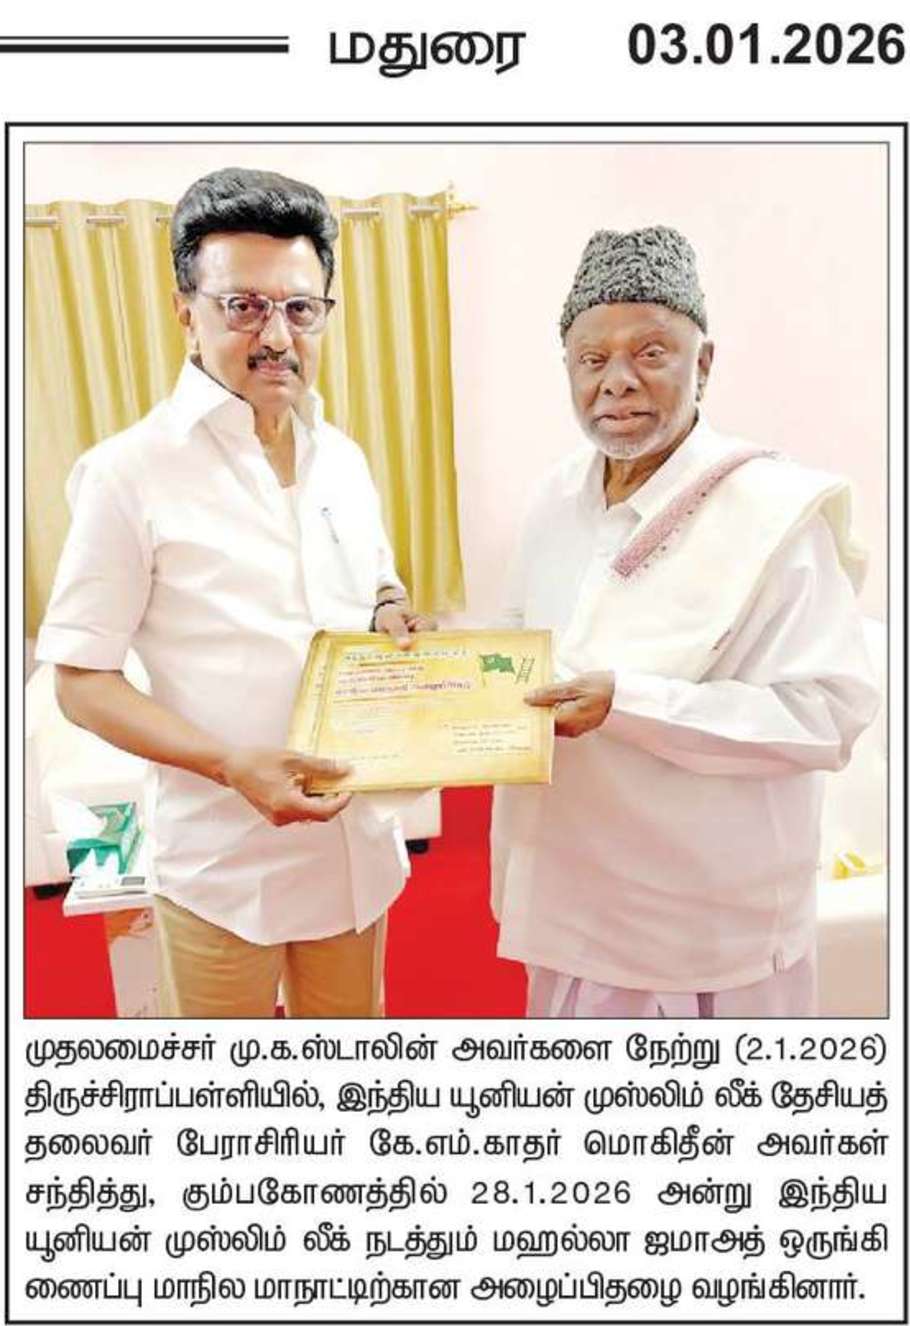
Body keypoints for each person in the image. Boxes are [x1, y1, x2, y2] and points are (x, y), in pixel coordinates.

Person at [35, 167, 427, 1018]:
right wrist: (228, 765)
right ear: (188, 310)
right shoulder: (128, 472)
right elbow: (80, 681)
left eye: (300, 308)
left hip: (355, 852)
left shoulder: (343, 458)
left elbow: (374, 582)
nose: (276, 335)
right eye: (244, 306)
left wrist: (389, 610)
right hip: (222, 867)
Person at [491, 225, 880, 1018]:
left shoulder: (775, 512)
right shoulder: (553, 499)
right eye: (591, 359)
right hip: (565, 896)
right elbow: (517, 646)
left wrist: (628, 704)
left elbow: (828, 716)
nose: (617, 382)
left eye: (651, 352)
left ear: (703, 364)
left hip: (705, 925)